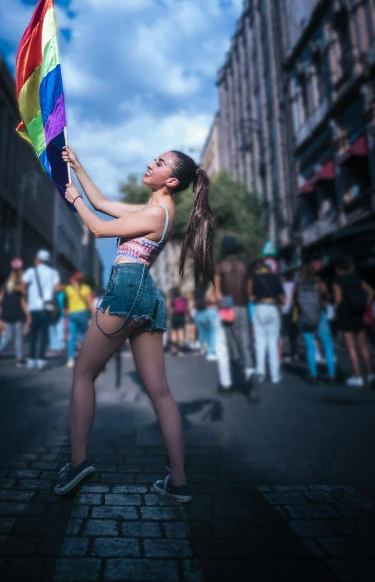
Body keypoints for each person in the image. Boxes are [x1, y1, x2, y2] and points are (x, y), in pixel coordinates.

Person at [55, 146, 214, 502]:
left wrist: (74, 198)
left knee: (82, 375)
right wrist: (77, 166)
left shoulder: (157, 212)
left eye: (158, 163)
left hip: (127, 290)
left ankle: (78, 462)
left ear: (171, 181)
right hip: (146, 297)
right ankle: (179, 482)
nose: (150, 163)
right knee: (160, 392)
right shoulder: (154, 209)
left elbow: (97, 227)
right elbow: (103, 204)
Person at [214, 237, 259, 400]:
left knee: (228, 344)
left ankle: (230, 377)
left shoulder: (220, 266)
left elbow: (217, 291)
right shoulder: (244, 266)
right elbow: (249, 290)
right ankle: (249, 373)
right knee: (244, 343)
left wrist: (224, 308)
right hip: (242, 306)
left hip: (227, 305)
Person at [332, 255, 375, 387]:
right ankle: (371, 373)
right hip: (358, 313)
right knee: (363, 346)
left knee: (351, 347)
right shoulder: (358, 278)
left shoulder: (337, 281)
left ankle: (358, 376)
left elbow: (338, 300)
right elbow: (371, 292)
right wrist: (364, 305)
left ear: (338, 268)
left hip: (346, 314)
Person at [294, 263, 335, 384]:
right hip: (320, 316)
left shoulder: (298, 285)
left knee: (310, 346)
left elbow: (294, 301)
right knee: (327, 345)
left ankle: (313, 375)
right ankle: (331, 374)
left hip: (305, 317)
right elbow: (326, 297)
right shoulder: (319, 284)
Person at [22, 250, 62, 369]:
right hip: (46, 307)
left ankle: (31, 358)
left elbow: (22, 287)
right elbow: (57, 288)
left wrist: (27, 296)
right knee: (44, 333)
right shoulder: (53, 272)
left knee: (33, 334)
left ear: (38, 259)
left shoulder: (30, 271)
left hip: (33, 307)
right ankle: (40, 359)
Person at [249, 261, 284, 384]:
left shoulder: (255, 279)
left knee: (260, 342)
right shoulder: (276, 278)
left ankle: (260, 373)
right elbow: (282, 298)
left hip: (260, 308)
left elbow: (251, 297)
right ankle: (274, 375)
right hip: (273, 308)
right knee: (273, 343)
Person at [0, 258, 30, 366]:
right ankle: (19, 358)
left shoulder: (5, 285)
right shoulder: (21, 286)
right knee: (18, 337)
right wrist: (28, 315)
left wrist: (0, 314)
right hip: (18, 313)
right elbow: (23, 302)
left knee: (8, 336)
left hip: (7, 313)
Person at [65, 272, 93, 368]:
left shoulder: (68, 289)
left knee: (71, 336)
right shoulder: (86, 288)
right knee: (83, 335)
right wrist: (94, 314)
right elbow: (89, 303)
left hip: (71, 313)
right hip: (82, 313)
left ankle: (70, 359)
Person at [280, 273, 298, 363]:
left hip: (283, 311)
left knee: (282, 334)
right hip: (293, 311)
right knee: (293, 333)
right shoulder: (295, 285)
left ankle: (281, 353)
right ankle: (294, 352)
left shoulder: (282, 285)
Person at [168, 287, 188, 356]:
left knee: (174, 332)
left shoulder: (172, 299)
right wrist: (186, 317)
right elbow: (185, 308)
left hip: (174, 317)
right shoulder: (182, 298)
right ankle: (180, 350)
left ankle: (174, 348)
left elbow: (170, 309)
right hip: (181, 317)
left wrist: (169, 319)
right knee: (181, 333)